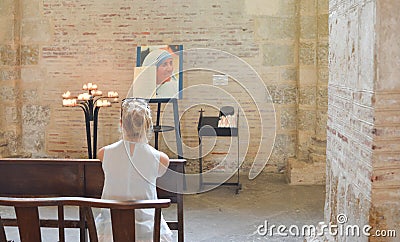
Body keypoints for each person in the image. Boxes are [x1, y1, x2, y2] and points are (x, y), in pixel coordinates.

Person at [95, 98, 173, 242]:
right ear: (148, 126)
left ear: (121, 124)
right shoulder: (161, 159)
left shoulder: (103, 153)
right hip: (148, 231)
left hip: (111, 230)